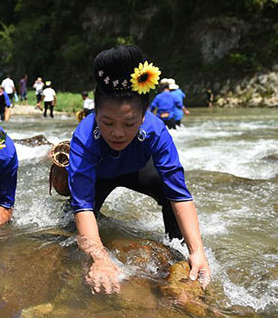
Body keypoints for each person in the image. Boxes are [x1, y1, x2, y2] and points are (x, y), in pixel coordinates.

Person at [67, 44, 211, 295]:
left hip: (137, 170)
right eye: (107, 122)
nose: (118, 132)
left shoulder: (156, 130)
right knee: (72, 225)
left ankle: (176, 247)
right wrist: (100, 259)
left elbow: (180, 194)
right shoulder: (84, 137)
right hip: (99, 175)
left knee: (168, 193)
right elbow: (83, 206)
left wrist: (198, 251)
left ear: (144, 116)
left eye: (129, 122)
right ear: (95, 114)